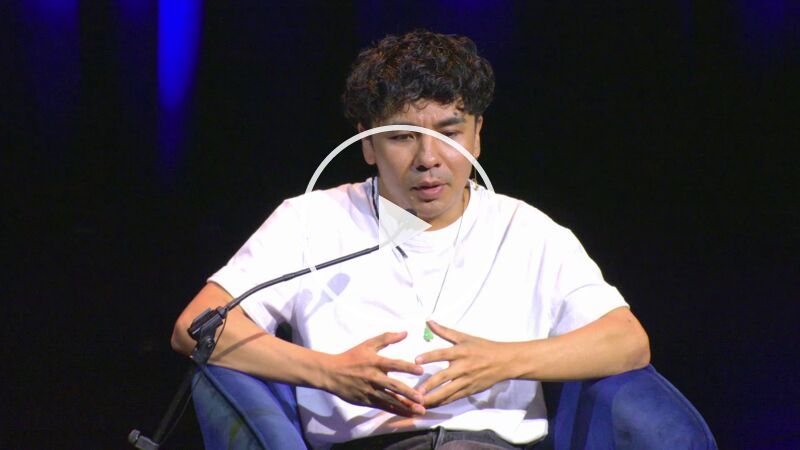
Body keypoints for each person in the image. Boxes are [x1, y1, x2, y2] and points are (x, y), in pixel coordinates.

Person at [171, 30, 650, 449]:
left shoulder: (524, 230)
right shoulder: (312, 221)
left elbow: (627, 341)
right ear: (367, 143)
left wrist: (503, 362)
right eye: (402, 137)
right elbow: (198, 326)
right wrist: (326, 371)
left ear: (477, 136)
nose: (428, 159)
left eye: (450, 132)